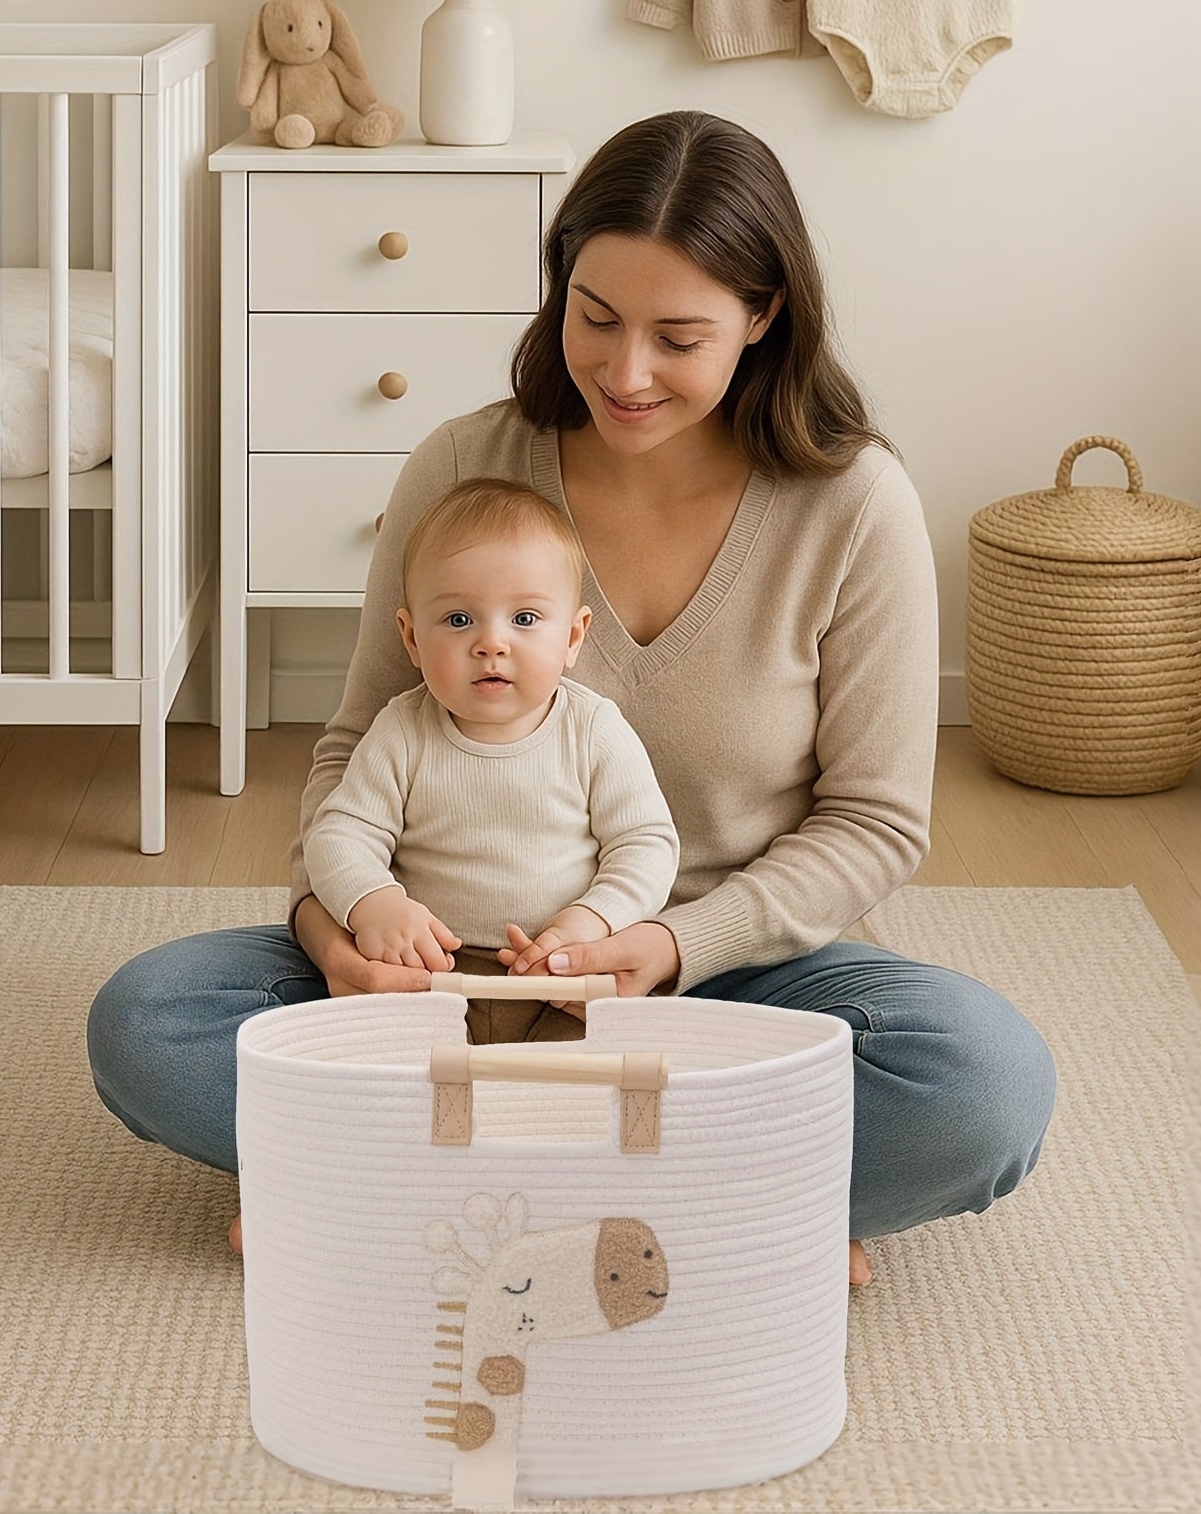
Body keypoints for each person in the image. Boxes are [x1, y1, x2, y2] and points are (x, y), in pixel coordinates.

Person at [87, 109, 1058, 1285]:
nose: (625, 373)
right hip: (449, 969)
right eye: (595, 318)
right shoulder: (465, 466)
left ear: (764, 316)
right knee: (150, 1023)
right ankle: (697, 1204)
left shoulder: (854, 506)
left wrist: (671, 945)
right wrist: (333, 930)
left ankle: (408, 1187)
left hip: (726, 975)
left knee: (981, 1083)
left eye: (678, 338)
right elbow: (358, 747)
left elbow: (875, 823)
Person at [303, 476, 679, 1003]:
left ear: (573, 636)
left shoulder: (594, 730)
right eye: (459, 619)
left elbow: (647, 845)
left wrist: (593, 919)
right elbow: (340, 834)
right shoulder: (402, 731)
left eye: (524, 618)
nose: (492, 644)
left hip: (559, 979)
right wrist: (375, 902)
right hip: (428, 975)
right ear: (412, 638)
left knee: (607, 1047)